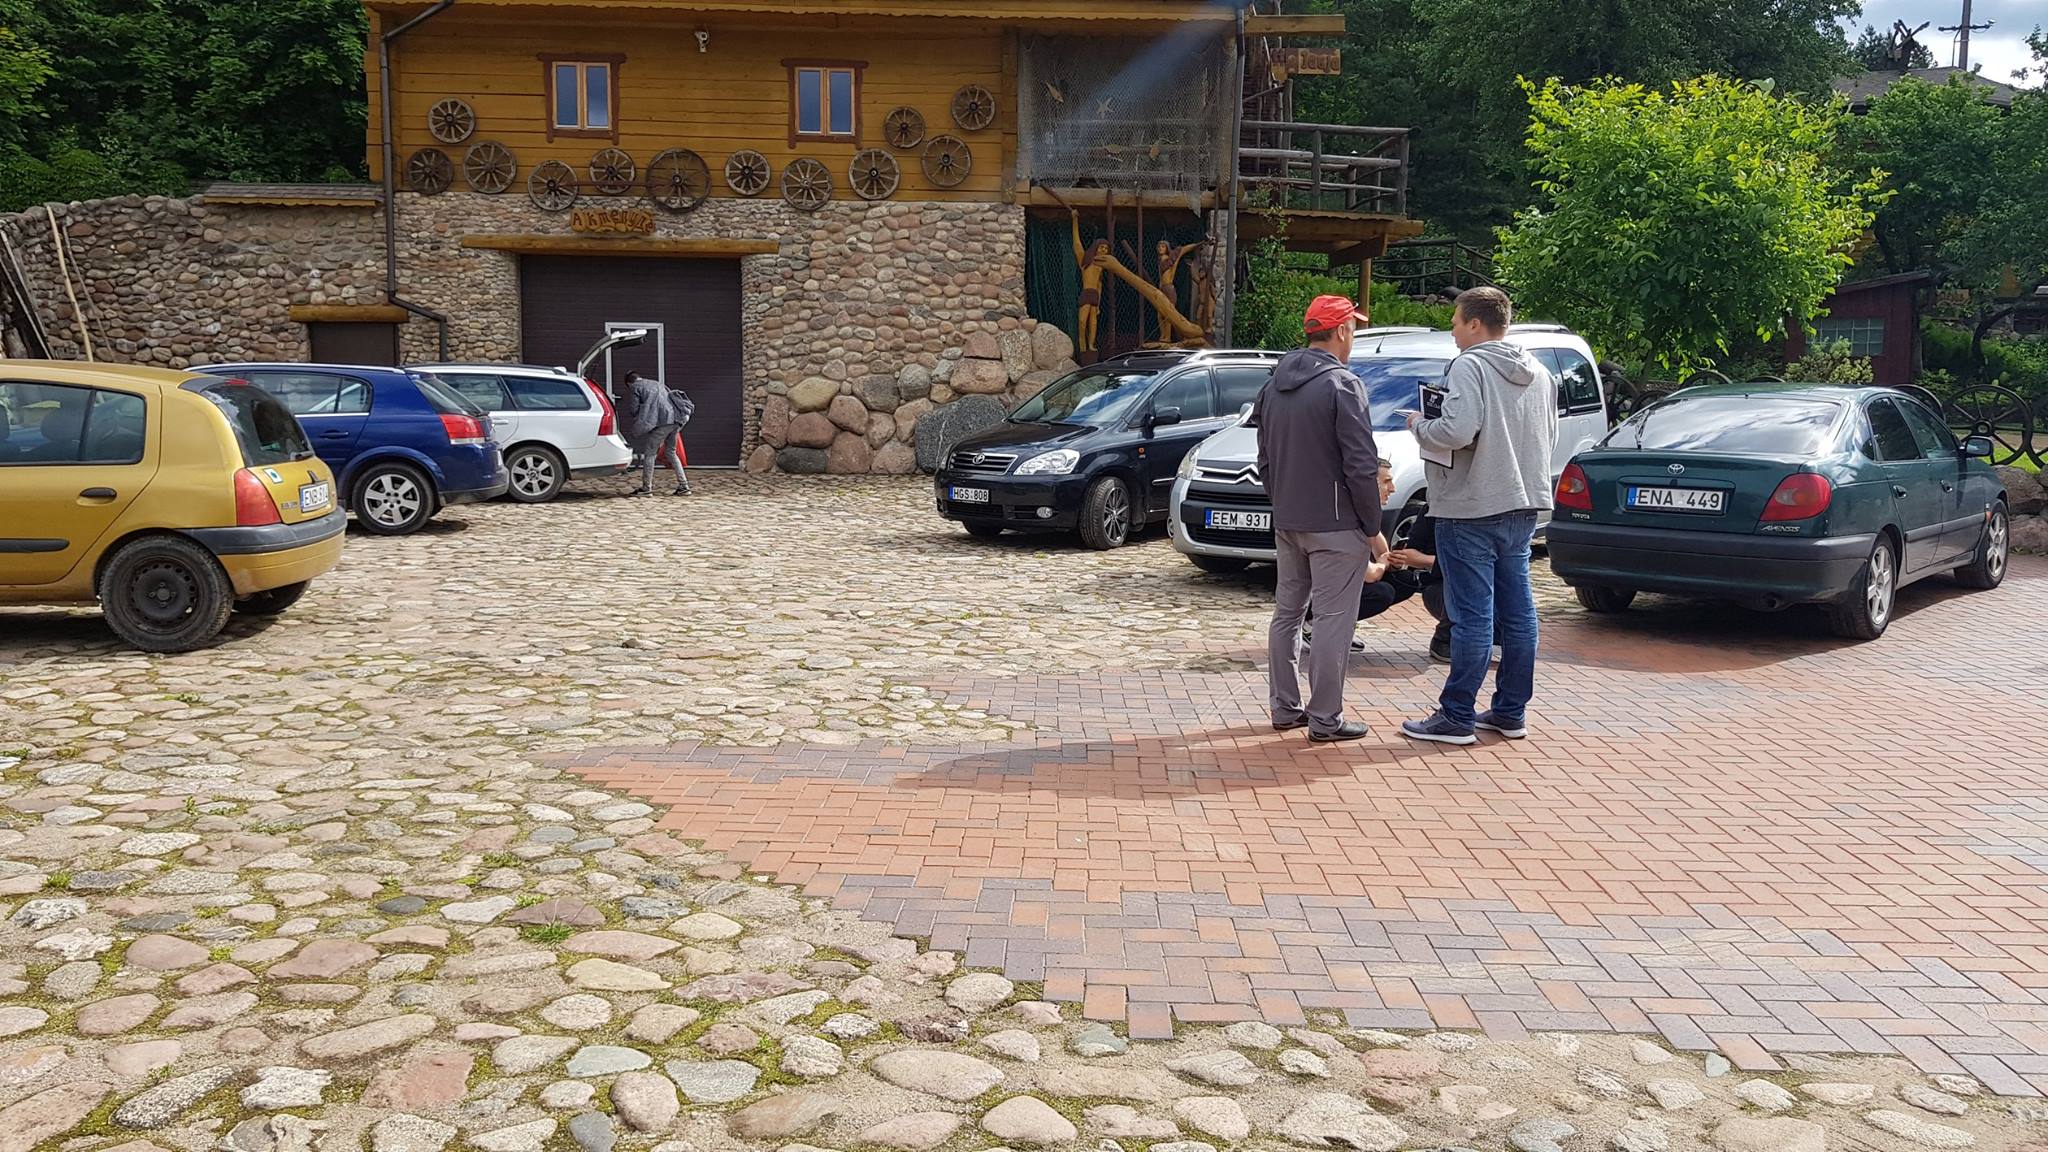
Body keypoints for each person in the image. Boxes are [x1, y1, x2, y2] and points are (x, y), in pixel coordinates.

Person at [1400, 287, 1557, 745]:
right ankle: (1510, 712)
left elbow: (1456, 430)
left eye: (1454, 321)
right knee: (1519, 614)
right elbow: (1548, 434)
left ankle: (1456, 716)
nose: (1452, 330)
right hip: (1523, 503)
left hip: (1471, 506)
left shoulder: (1469, 365)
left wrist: (1418, 425)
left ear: (1474, 323)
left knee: (1472, 617)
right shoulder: (1540, 371)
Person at [1254, 294, 1383, 744]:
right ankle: (1325, 718)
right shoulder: (1342, 385)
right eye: (1354, 329)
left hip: (1289, 519)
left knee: (1287, 614)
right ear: (1342, 330)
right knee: (1332, 620)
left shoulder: (1273, 385)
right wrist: (1372, 526)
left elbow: (1264, 458)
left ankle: (1284, 707)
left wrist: (1282, 502)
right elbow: (1361, 465)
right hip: (1336, 524)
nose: (1354, 337)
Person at [617, 371, 688, 496]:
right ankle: (684, 486)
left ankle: (646, 488)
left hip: (662, 423)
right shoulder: (657, 383)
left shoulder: (635, 387)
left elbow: (634, 409)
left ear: (629, 383)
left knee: (650, 454)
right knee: (671, 452)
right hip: (675, 420)